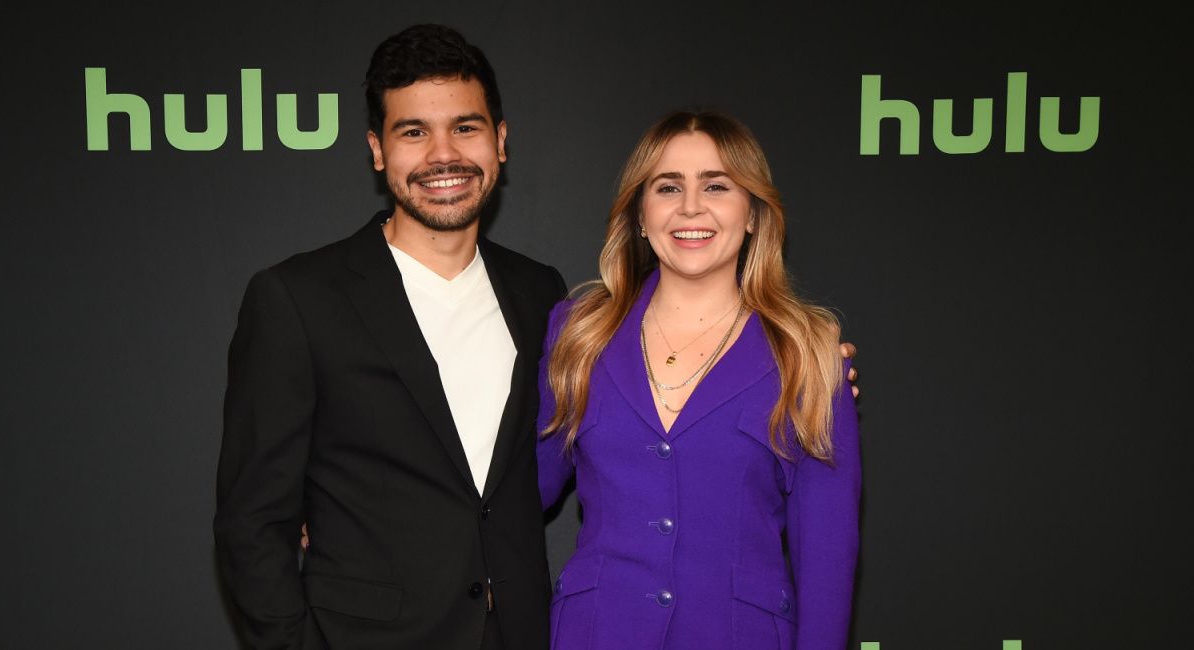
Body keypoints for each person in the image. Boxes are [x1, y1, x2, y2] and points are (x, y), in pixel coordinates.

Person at [213, 25, 565, 649]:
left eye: (465, 127)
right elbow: (252, 522)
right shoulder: (298, 298)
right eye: (413, 132)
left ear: (500, 141)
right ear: (378, 150)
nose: (442, 155)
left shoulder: (541, 292)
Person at [537, 111, 861, 650]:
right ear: (641, 214)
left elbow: (827, 560)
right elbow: (522, 492)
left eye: (716, 185)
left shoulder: (808, 354)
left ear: (754, 212)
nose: (691, 207)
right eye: (668, 187)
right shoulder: (578, 333)